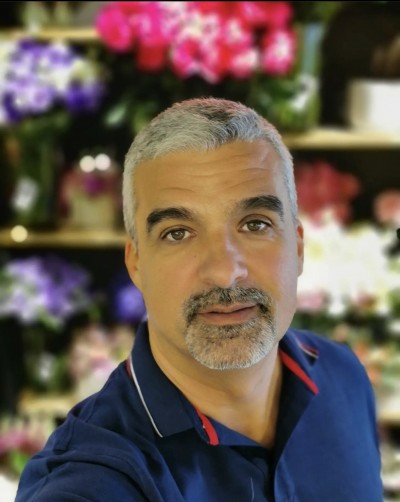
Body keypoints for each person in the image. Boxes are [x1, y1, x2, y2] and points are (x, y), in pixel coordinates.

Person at [16, 98, 382, 501]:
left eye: (255, 224)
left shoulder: (343, 376)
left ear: (297, 247)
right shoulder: (89, 481)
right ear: (136, 263)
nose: (225, 272)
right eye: (177, 233)